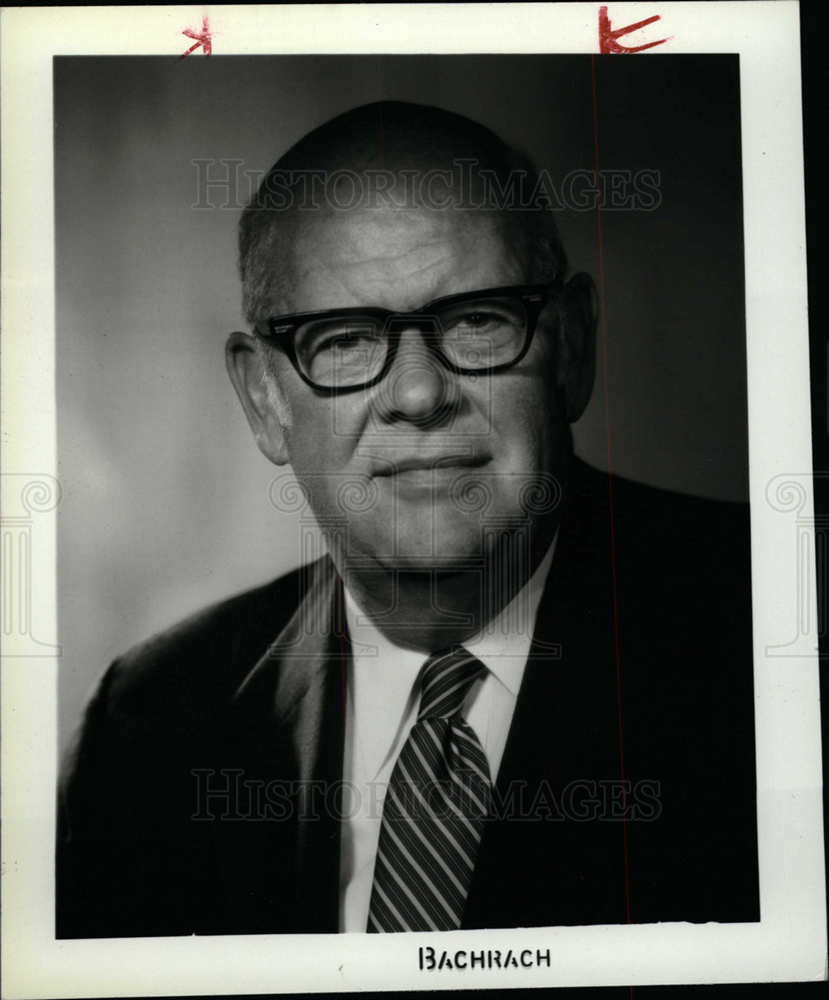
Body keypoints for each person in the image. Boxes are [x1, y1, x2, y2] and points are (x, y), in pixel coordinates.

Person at [57, 101, 758, 937]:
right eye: (344, 338)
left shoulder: (772, 634)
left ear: (570, 346)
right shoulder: (150, 721)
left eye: (477, 320)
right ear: (264, 399)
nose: (420, 396)